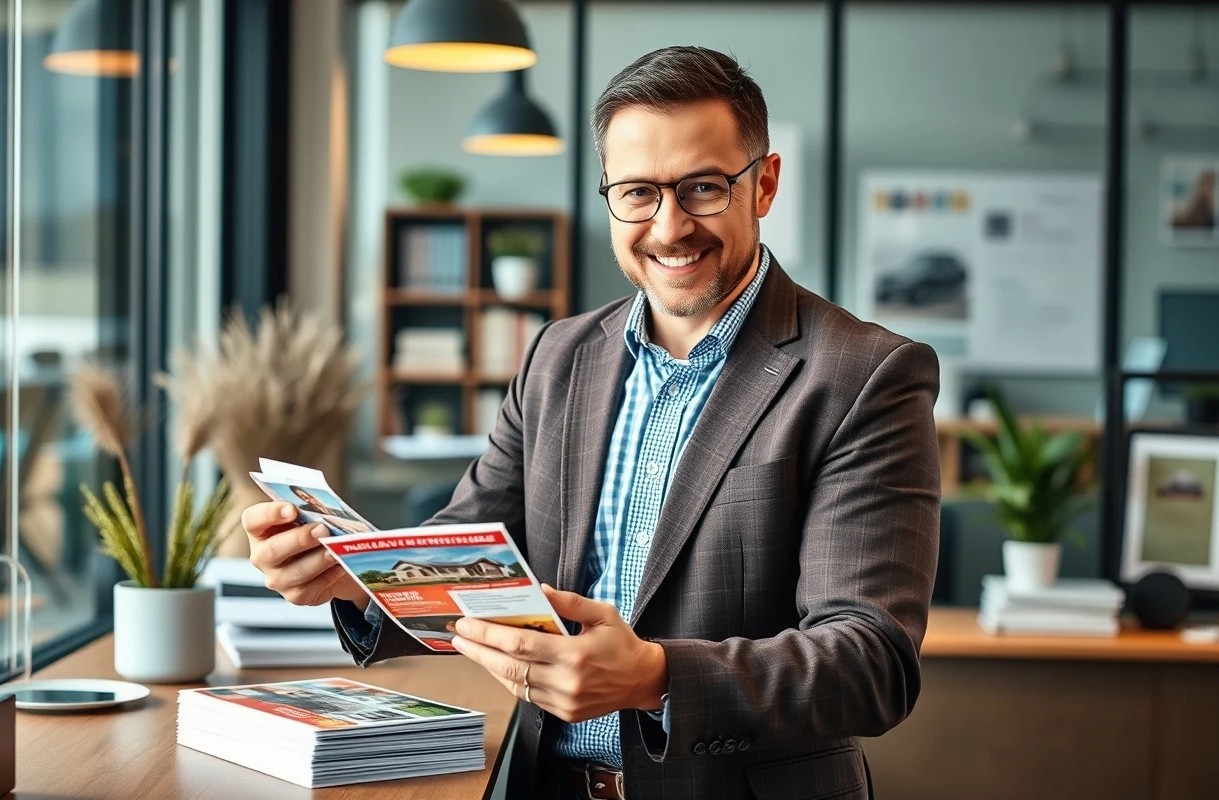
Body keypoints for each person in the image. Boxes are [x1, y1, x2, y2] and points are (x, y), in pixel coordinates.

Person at [243, 46, 940, 800]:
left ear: (763, 184)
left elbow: (871, 663)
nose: (670, 227)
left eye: (703, 188)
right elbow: (463, 569)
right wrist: (352, 578)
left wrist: (656, 678)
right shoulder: (558, 356)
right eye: (638, 193)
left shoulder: (865, 375)